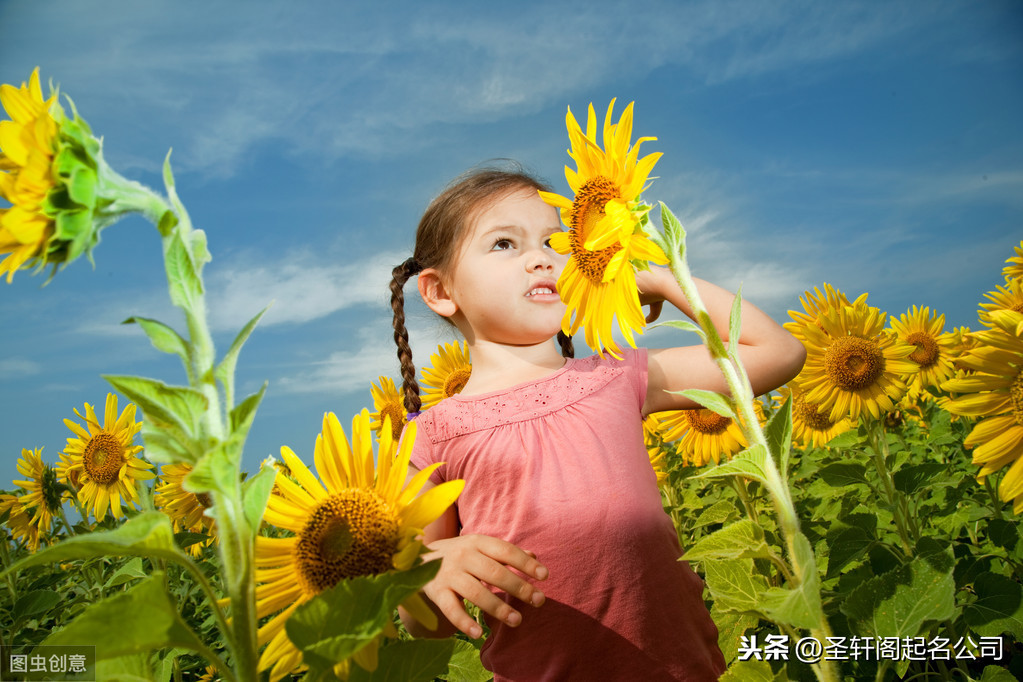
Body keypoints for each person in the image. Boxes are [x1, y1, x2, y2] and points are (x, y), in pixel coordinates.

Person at [389, 166, 806, 681]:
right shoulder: (432, 433)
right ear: (438, 291)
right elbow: (424, 625)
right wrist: (429, 568)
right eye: (504, 244)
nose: (542, 257)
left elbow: (777, 353)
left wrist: (658, 275)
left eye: (555, 241)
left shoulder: (617, 375)